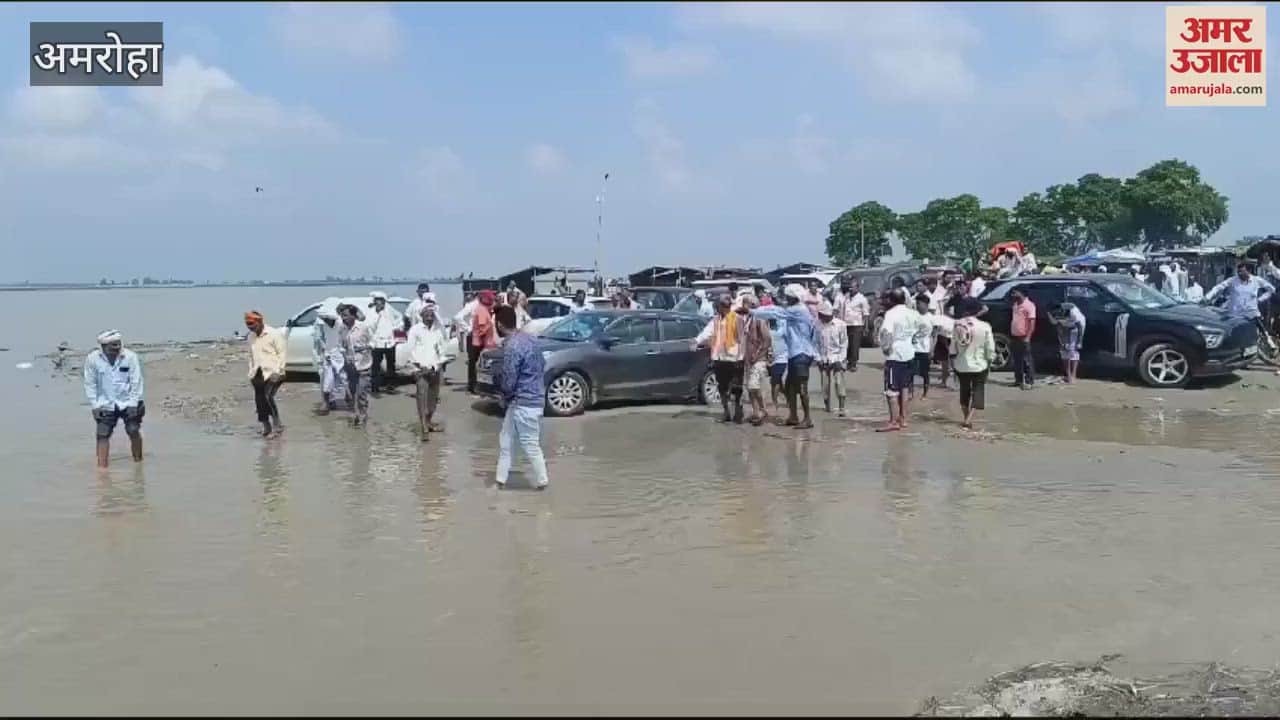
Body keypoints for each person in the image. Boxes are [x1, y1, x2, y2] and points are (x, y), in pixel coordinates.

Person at [493, 305, 549, 490]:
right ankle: (500, 480)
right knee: (506, 440)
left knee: (529, 444)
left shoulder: (512, 345)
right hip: (532, 399)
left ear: (499, 325)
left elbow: (509, 379)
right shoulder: (531, 340)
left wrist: (502, 394)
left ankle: (543, 483)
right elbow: (542, 365)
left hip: (522, 402)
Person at [752, 284, 819, 429]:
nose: (785, 300)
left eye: (787, 297)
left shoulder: (798, 310)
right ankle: (794, 416)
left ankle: (807, 419)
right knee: (789, 387)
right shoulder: (795, 309)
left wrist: (751, 311)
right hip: (795, 354)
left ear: (792, 297)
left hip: (802, 353)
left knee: (802, 388)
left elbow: (776, 312)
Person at [84, 330, 144, 467]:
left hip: (129, 401)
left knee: (133, 430)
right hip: (105, 402)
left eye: (118, 344)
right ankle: (102, 469)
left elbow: (136, 381)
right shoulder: (93, 359)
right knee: (102, 434)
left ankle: (139, 463)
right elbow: (90, 383)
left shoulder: (130, 357)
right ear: (104, 346)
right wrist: (95, 405)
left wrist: (134, 403)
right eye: (113, 346)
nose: (117, 348)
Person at [694, 294, 747, 423]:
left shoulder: (737, 319)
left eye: (721, 306)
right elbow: (707, 332)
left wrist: (741, 356)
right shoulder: (716, 320)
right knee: (722, 387)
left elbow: (742, 339)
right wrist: (696, 341)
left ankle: (738, 412)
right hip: (720, 357)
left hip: (734, 358)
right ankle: (726, 412)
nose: (719, 308)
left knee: (736, 388)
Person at [407, 302, 449, 441]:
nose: (430, 317)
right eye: (427, 314)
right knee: (422, 398)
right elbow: (410, 350)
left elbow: (442, 351)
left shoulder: (438, 331)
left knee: (433, 399)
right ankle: (424, 426)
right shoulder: (415, 330)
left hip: (435, 368)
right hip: (420, 369)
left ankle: (429, 421)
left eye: (432, 314)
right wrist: (419, 367)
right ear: (422, 315)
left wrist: (436, 366)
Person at [952, 298, 995, 429]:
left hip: (961, 364)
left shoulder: (957, 325)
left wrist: (952, 362)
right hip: (979, 364)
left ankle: (966, 418)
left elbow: (953, 347)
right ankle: (969, 419)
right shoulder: (985, 326)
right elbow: (990, 347)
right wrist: (990, 360)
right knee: (978, 390)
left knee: (964, 391)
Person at [877, 288, 916, 432]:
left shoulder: (891, 314)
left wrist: (886, 348)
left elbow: (887, 332)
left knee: (891, 390)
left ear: (891, 300)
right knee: (904, 387)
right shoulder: (912, 313)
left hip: (895, 355)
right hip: (909, 353)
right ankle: (903, 418)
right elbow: (922, 328)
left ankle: (893, 421)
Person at [245, 311, 287, 437]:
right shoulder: (251, 336)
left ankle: (276, 425)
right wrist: (250, 372)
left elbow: (282, 353)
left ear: (260, 321)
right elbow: (250, 356)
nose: (250, 326)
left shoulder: (274, 334)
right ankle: (266, 425)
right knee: (259, 400)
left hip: (273, 371)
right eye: (247, 324)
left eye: (252, 324)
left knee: (268, 396)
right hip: (257, 372)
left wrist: (279, 372)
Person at [1205, 262, 1275, 324]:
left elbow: (1272, 289)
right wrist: (1208, 296)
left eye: (1242, 271)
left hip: (1251, 316)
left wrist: (1261, 299)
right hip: (1235, 316)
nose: (1239, 274)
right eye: (1238, 272)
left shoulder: (1257, 280)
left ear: (1249, 271)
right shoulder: (1233, 280)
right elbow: (1219, 287)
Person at [339, 303, 373, 428]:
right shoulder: (342, 329)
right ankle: (352, 414)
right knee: (350, 393)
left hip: (363, 365)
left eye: (346, 315)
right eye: (342, 316)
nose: (344, 318)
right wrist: (344, 355)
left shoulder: (363, 328)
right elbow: (341, 346)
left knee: (362, 393)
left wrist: (365, 347)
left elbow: (373, 342)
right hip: (349, 366)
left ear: (353, 316)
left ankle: (363, 415)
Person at [365, 291, 403, 396]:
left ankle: (390, 386)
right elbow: (368, 327)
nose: (379, 303)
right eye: (377, 301)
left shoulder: (389, 310)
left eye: (381, 301)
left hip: (389, 342)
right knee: (375, 366)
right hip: (377, 343)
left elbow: (399, 317)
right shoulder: (371, 313)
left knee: (391, 365)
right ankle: (375, 388)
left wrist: (396, 328)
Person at [815, 301, 848, 416]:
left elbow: (844, 344)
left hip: (837, 357)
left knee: (839, 383)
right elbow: (816, 344)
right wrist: (818, 359)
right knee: (825, 385)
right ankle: (827, 406)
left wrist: (840, 359)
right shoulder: (817, 325)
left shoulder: (840, 325)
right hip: (824, 358)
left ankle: (842, 408)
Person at [312, 307, 346, 413]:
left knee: (345, 380)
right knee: (327, 380)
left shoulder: (341, 324)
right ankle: (327, 403)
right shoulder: (323, 325)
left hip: (341, 355)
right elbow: (320, 340)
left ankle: (352, 402)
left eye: (327, 319)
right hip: (328, 355)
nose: (325, 321)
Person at [466, 289, 498, 395]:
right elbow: (482, 328)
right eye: (490, 298)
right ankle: (474, 387)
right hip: (477, 342)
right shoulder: (482, 310)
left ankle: (473, 386)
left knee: (473, 364)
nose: (492, 300)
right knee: (476, 365)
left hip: (477, 340)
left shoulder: (482, 309)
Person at [832, 280, 869, 371]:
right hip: (845, 324)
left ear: (857, 288)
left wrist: (866, 327)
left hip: (857, 324)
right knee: (845, 344)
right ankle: (847, 361)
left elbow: (866, 314)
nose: (851, 289)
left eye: (853, 287)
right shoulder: (846, 297)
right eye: (850, 287)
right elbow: (837, 309)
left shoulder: (862, 299)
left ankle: (853, 363)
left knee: (854, 344)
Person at [1009, 288, 1037, 390]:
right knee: (1017, 360)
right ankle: (1018, 380)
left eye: (1015, 292)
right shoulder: (1015, 304)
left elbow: (1032, 323)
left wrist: (1028, 337)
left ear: (1022, 293)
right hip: (1015, 336)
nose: (1013, 294)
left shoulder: (1029, 305)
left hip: (1024, 336)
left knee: (1027, 360)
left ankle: (1029, 381)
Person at [1053, 301, 1086, 384]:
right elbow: (1059, 327)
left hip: (1076, 327)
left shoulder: (1074, 313)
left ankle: (1073, 375)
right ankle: (1068, 375)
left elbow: (1080, 327)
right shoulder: (1054, 313)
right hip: (1065, 328)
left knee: (1073, 350)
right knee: (1064, 350)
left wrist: (1079, 342)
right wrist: (1062, 342)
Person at [911, 293, 934, 398]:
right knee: (911, 372)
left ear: (925, 304)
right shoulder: (913, 316)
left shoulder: (931, 318)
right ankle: (911, 393)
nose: (917, 305)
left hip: (925, 349)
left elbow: (934, 335)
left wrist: (932, 349)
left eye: (919, 303)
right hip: (913, 348)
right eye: (916, 303)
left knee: (925, 373)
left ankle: (925, 393)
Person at [766, 316, 788, 412]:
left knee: (776, 381)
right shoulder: (767, 332)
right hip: (771, 360)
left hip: (782, 359)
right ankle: (788, 397)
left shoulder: (782, 329)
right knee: (774, 382)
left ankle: (775, 404)